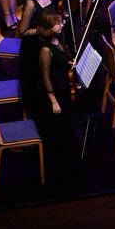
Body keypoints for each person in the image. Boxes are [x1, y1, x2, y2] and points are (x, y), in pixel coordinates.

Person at [33, 10, 74, 175]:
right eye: (58, 23)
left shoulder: (57, 40)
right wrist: (54, 101)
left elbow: (60, 58)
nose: (61, 24)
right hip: (54, 90)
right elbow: (44, 78)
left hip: (63, 84)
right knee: (57, 128)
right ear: (49, 27)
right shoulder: (44, 50)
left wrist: (68, 60)